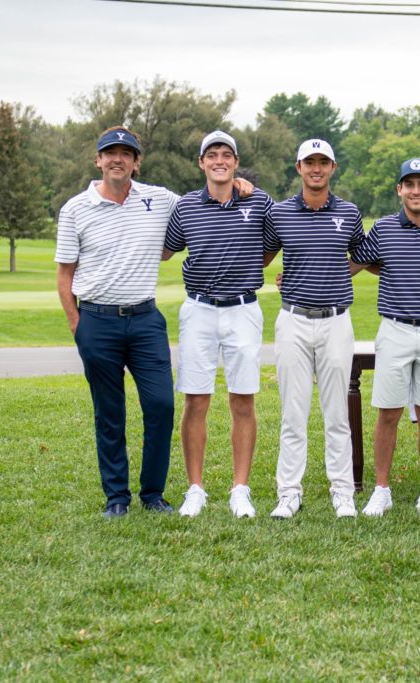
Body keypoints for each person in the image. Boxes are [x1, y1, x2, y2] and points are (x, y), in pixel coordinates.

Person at [55, 127, 179, 518]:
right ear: (98, 160)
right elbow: (64, 275)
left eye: (127, 153)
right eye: (111, 153)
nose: (118, 159)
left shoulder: (158, 199)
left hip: (145, 320)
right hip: (97, 321)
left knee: (160, 404)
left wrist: (238, 184)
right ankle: (117, 498)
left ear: (137, 162)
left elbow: (203, 203)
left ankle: (152, 493)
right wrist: (78, 325)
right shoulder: (76, 208)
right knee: (109, 412)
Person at [161, 130, 273, 519]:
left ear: (236, 162)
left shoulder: (257, 200)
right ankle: (196, 488)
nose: (220, 160)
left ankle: (240, 488)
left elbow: (274, 239)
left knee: (243, 398)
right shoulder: (186, 207)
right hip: (199, 310)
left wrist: (254, 263)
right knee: (196, 398)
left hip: (243, 309)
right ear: (201, 163)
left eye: (227, 154)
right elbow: (164, 250)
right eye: (213, 155)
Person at [350, 158, 420, 518]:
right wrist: (302, 273)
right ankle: (382, 489)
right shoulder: (382, 229)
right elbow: (356, 262)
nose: (416, 191)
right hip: (395, 328)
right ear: (399, 189)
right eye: (408, 184)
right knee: (388, 413)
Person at [262, 139, 365, 519]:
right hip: (293, 320)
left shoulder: (350, 213)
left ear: (333, 168)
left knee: (337, 412)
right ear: (299, 168)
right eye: (310, 162)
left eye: (323, 162)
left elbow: (361, 257)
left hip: (337, 320)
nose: (316, 168)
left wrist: (331, 272)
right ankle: (289, 492)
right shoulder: (281, 212)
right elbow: (264, 255)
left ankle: (343, 492)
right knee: (293, 412)